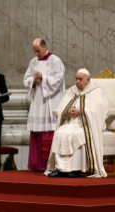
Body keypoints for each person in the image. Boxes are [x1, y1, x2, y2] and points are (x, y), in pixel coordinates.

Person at [45, 69, 108, 178]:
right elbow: (62, 106)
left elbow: (100, 109)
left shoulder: (96, 91)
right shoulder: (72, 90)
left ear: (87, 80)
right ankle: (61, 169)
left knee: (76, 135)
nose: (77, 82)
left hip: (87, 124)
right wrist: (67, 111)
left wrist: (82, 111)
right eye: (76, 79)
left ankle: (76, 169)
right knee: (60, 133)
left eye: (80, 79)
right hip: (72, 122)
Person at [23, 38, 65, 172]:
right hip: (38, 101)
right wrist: (33, 81)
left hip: (50, 101)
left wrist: (43, 78)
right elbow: (26, 79)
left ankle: (49, 165)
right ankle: (36, 164)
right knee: (37, 132)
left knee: (49, 131)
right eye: (34, 51)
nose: (36, 54)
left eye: (38, 50)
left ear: (45, 46)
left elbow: (58, 80)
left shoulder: (55, 61)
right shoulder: (33, 62)